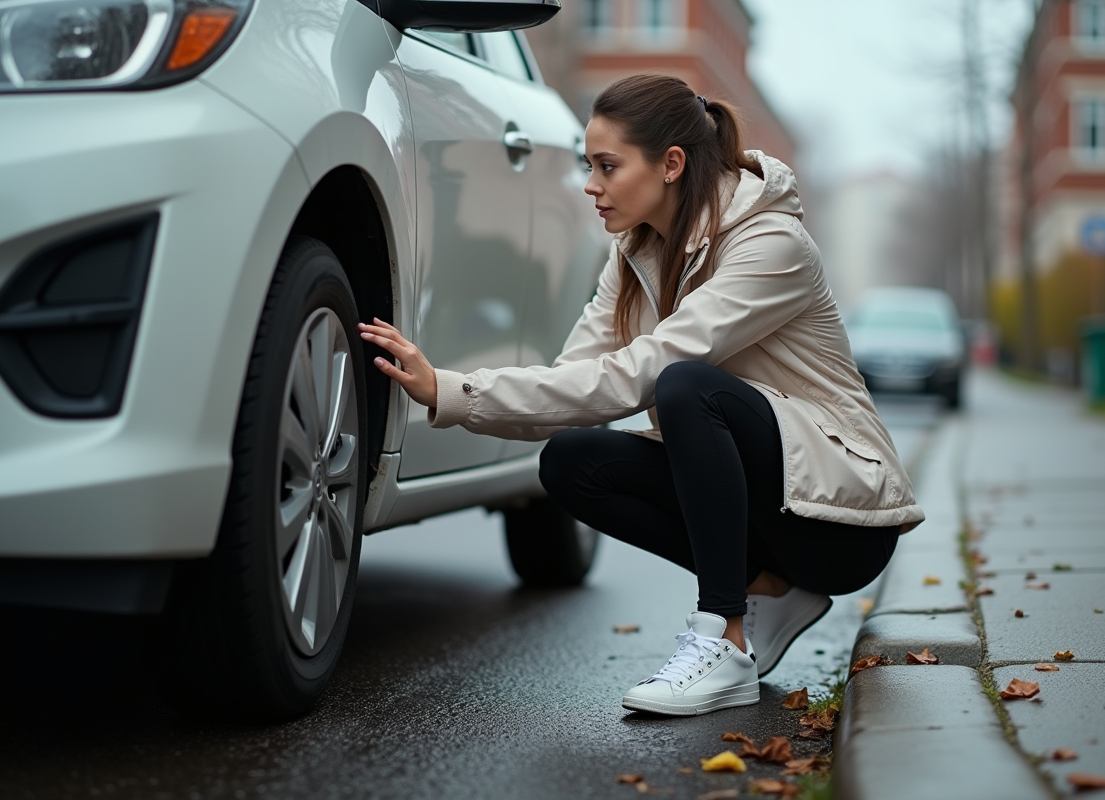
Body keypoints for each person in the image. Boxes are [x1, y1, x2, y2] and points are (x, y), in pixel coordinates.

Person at [357, 74, 924, 717]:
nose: (590, 186)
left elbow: (644, 372)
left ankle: (723, 637)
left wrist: (453, 388)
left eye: (607, 166)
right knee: (571, 460)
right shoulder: (635, 253)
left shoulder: (771, 245)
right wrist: (452, 394)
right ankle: (765, 586)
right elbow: (572, 384)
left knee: (684, 384)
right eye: (588, 167)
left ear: (671, 164)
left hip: (838, 520)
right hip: (770, 515)